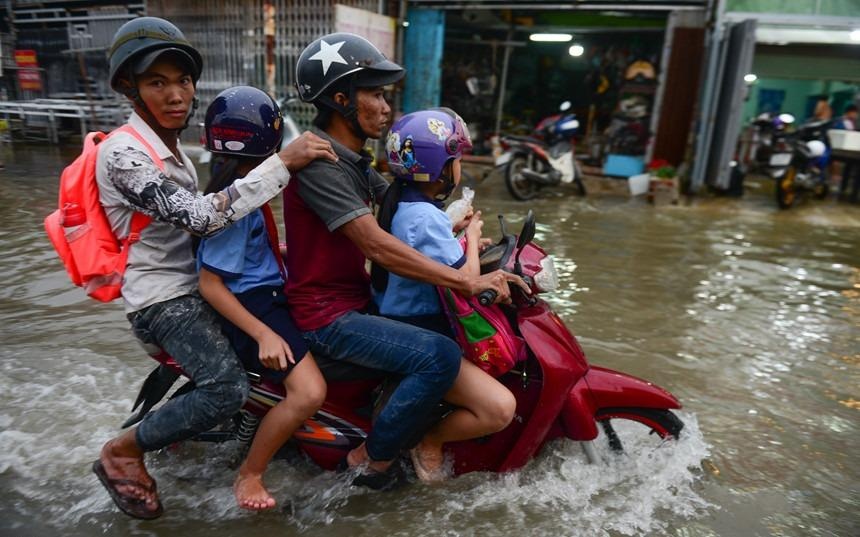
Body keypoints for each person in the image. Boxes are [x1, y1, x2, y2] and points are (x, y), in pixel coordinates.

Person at [92, 17, 336, 519]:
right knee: (227, 388)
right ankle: (123, 450)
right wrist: (283, 164)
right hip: (165, 300)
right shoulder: (123, 153)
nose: (176, 93)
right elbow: (201, 217)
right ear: (128, 88)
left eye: (182, 81)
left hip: (196, 288)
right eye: (157, 82)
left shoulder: (173, 150)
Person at [284, 33, 523, 487]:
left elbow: (406, 209)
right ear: (341, 99)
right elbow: (376, 244)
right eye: (374, 94)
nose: (384, 107)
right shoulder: (320, 163)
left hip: (356, 301)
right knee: (438, 354)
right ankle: (372, 458)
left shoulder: (351, 161)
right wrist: (466, 282)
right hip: (328, 317)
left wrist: (462, 238)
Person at [196, 86, 326, 510]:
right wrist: (264, 335)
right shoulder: (238, 204)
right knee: (309, 393)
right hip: (254, 306)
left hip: (267, 291)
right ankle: (250, 473)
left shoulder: (240, 193)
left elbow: (249, 255)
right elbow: (211, 283)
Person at [372, 108, 516, 481]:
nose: (459, 167)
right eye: (456, 159)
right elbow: (467, 279)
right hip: (423, 332)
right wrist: (470, 238)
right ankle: (431, 439)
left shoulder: (402, 203)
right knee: (500, 407)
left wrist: (460, 237)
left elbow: (435, 255)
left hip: (401, 320)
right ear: (438, 166)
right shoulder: (424, 217)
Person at [833, 104, 859, 202]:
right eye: (855, 113)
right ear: (849, 112)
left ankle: (849, 191)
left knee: (851, 167)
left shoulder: (854, 123)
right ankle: (843, 188)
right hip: (840, 150)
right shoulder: (840, 121)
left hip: (852, 151)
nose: (856, 115)